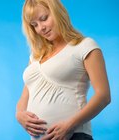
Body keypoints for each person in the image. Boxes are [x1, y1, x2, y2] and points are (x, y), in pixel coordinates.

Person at [16, 0, 111, 140]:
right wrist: (19, 114)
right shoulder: (36, 56)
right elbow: (25, 95)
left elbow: (103, 96)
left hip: (74, 135)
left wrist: (69, 125)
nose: (41, 28)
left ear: (58, 12)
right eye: (34, 25)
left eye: (44, 19)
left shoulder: (84, 46)